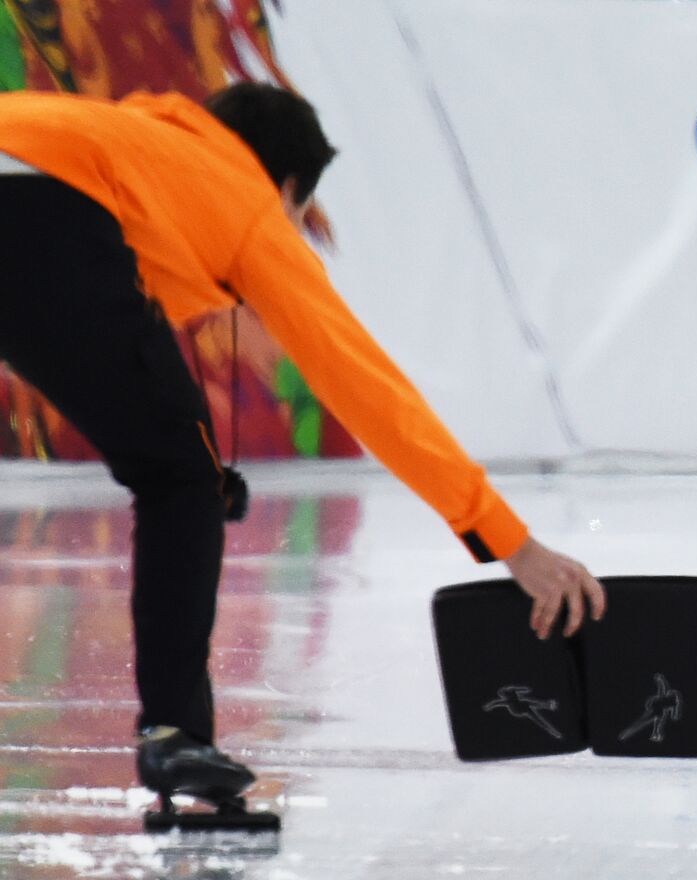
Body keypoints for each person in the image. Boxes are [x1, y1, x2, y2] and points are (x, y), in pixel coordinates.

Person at [0, 82, 607, 806]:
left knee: (182, 465)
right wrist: (512, 544)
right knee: (179, 481)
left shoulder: (125, 138)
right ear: (287, 185)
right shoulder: (247, 201)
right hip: (45, 218)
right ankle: (175, 735)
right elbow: (366, 387)